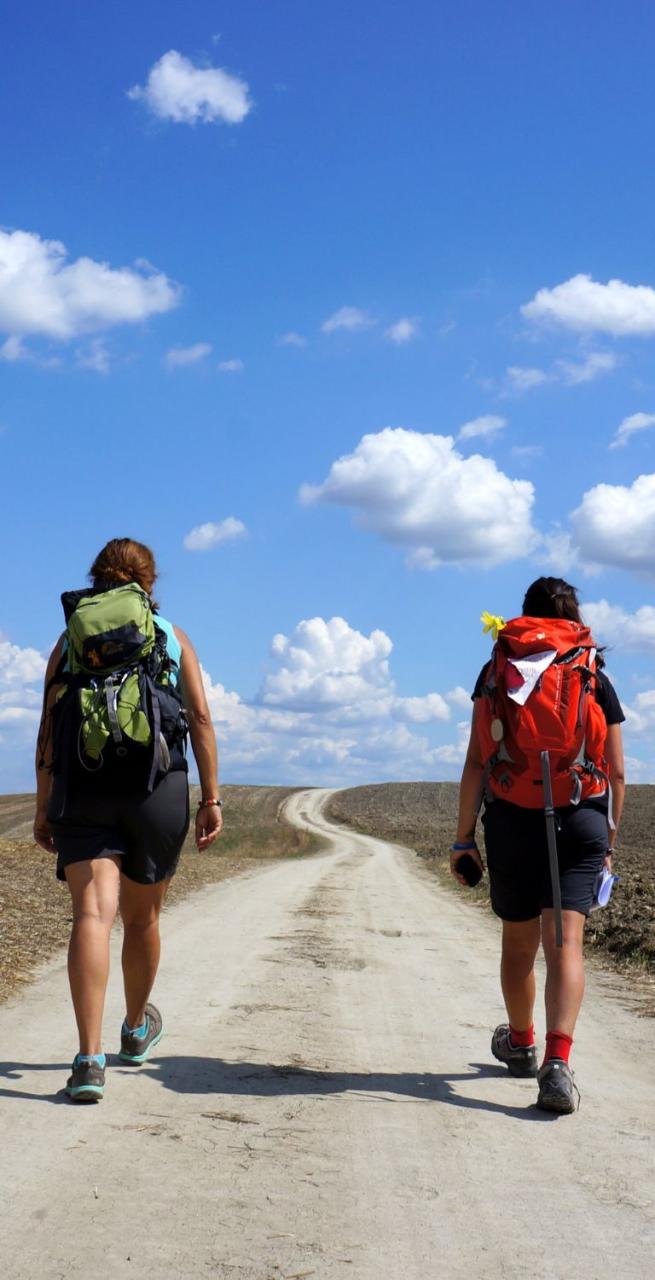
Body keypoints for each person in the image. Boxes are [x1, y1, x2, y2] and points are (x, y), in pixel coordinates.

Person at [34, 538, 223, 1102]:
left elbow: (48, 729)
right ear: (150, 583)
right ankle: (136, 1031)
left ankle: (89, 1061)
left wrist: (45, 804)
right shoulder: (172, 637)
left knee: (92, 915)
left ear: (95, 580)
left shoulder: (69, 640)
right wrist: (211, 797)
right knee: (141, 920)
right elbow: (202, 718)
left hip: (84, 787)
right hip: (156, 789)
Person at [451, 577, 625, 1114]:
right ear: (573, 615)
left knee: (519, 945)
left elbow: (478, 760)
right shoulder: (591, 669)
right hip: (581, 818)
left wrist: (464, 838)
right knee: (566, 945)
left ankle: (522, 1042)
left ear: (522, 615)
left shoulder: (499, 669)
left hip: (514, 819)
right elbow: (617, 771)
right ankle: (557, 1061)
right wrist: (608, 839)